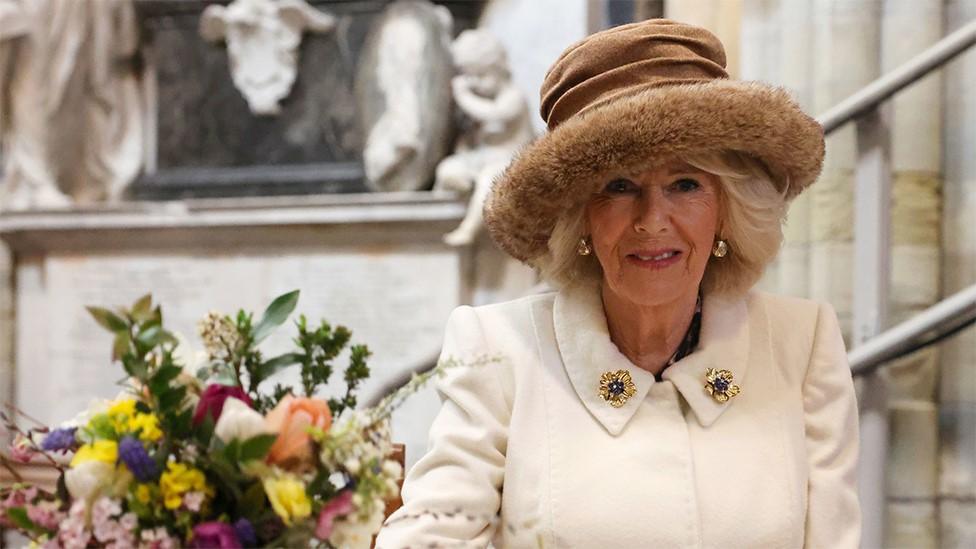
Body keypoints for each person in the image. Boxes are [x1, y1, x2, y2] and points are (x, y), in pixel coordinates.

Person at [376, 19, 860, 548]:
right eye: (619, 186)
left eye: (686, 184)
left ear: (726, 210)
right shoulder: (499, 349)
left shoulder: (802, 341)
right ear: (579, 219)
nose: (653, 220)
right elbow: (431, 535)